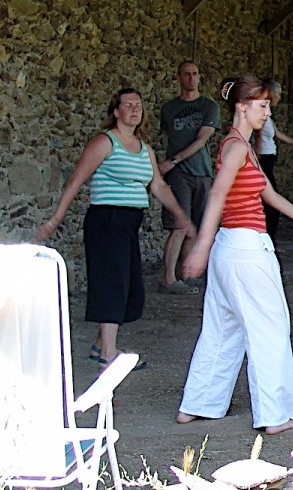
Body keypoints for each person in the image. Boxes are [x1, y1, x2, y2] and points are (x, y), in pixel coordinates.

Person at [177, 76, 293, 434]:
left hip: (232, 248)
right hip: (245, 248)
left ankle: (198, 404)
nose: (268, 112)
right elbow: (217, 195)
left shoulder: (242, 146)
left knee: (223, 328)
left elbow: (267, 193)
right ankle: (274, 415)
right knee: (270, 327)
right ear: (242, 106)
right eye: (262, 105)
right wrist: (201, 246)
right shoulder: (236, 147)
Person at [35, 87, 195, 368]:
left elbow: (157, 184)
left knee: (129, 286)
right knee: (112, 283)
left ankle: (100, 345)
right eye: (128, 105)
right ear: (116, 111)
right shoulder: (104, 142)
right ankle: (109, 353)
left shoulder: (144, 148)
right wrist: (54, 220)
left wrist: (180, 215)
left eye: (139, 105)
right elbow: (76, 180)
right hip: (106, 222)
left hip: (129, 223)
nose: (135, 109)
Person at [158, 61, 220, 294]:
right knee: (178, 226)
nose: (191, 78)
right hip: (178, 176)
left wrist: (173, 160)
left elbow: (202, 139)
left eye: (195, 74)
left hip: (201, 171)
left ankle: (187, 275)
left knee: (195, 225)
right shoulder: (169, 109)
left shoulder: (209, 106)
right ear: (178, 78)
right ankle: (169, 279)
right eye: (186, 74)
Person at [255, 78, 293, 242]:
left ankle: (268, 236)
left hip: (268, 158)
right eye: (278, 93)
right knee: (271, 202)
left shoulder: (268, 114)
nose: (280, 96)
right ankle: (267, 237)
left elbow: (276, 133)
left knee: (269, 200)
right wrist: (256, 158)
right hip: (263, 159)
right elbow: (257, 135)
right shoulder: (261, 112)